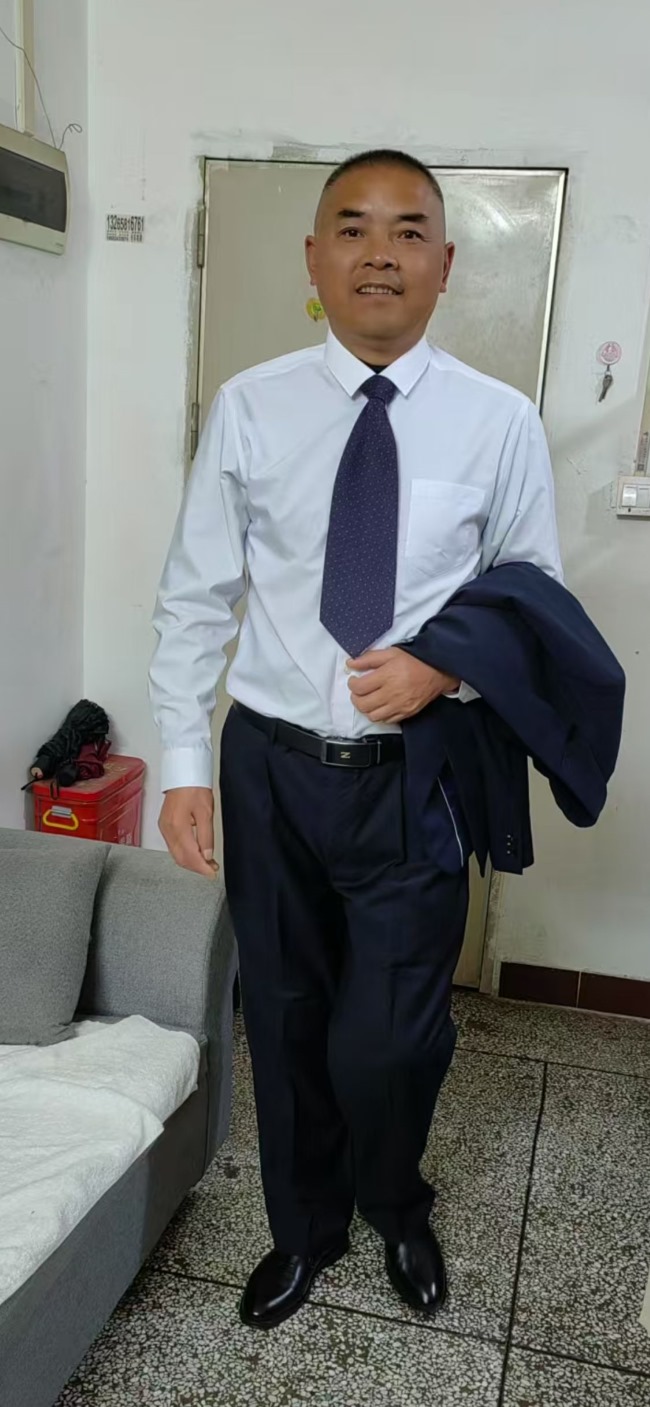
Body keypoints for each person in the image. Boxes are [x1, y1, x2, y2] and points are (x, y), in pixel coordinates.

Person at [149, 148, 563, 1331]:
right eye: (352, 227)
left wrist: (442, 665)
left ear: (444, 263)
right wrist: (181, 765)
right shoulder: (251, 405)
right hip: (270, 769)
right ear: (313, 257)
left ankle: (394, 1202)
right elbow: (194, 597)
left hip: (415, 775)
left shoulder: (497, 422)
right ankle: (304, 1231)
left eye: (407, 231)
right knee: (282, 1018)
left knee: (390, 1040)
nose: (379, 252)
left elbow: (531, 598)